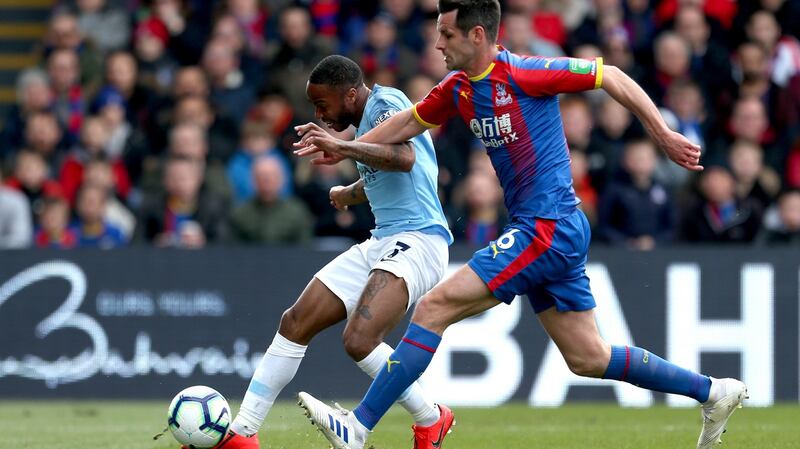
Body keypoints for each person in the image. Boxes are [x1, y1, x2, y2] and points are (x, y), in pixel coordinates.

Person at [293, 2, 746, 449]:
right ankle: (712, 392)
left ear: (477, 35)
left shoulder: (526, 72)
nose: (437, 43)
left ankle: (361, 426)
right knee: (588, 357)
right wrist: (345, 147)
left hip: (547, 226)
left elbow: (609, 75)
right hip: (551, 229)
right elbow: (407, 123)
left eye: (447, 34)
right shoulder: (457, 89)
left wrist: (661, 134)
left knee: (434, 307)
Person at [191, 55, 455, 449]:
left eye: (323, 105)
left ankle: (427, 418)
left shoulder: (385, 104)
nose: (319, 114)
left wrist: (343, 147)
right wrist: (349, 192)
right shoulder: (367, 121)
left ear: (351, 94)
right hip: (383, 240)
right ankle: (243, 434)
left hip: (419, 241)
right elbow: (389, 172)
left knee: (360, 339)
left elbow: (405, 159)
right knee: (296, 321)